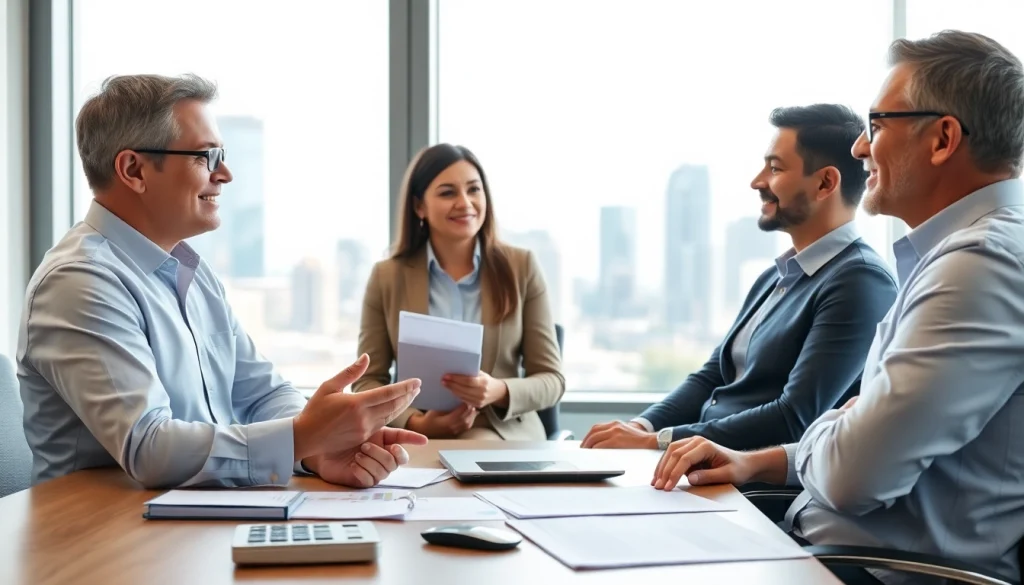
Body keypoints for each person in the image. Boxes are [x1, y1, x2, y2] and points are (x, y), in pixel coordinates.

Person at [651, 30, 1024, 585]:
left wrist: (839, 423)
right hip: (828, 549)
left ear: (943, 139)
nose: (860, 148)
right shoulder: (955, 258)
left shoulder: (979, 265)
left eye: (877, 125)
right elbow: (856, 444)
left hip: (875, 571)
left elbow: (853, 476)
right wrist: (759, 460)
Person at [16, 74, 427, 490]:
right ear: (134, 170)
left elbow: (262, 395)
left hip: (191, 516)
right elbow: (148, 448)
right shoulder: (79, 282)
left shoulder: (192, 273)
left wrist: (316, 450)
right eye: (206, 157)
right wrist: (303, 437)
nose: (225, 174)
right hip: (101, 527)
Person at [583, 104, 897, 452]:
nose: (757, 181)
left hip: (752, 477)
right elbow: (713, 377)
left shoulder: (860, 281)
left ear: (825, 183)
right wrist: (640, 427)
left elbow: (793, 418)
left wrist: (657, 441)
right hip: (700, 461)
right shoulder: (774, 277)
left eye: (775, 168)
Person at [354, 143, 564, 440]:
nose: (465, 203)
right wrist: (414, 422)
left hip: (500, 432)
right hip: (417, 435)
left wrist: (498, 390)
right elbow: (367, 381)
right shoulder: (386, 277)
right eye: (447, 193)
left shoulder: (522, 267)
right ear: (419, 206)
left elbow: (552, 380)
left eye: (474, 190)